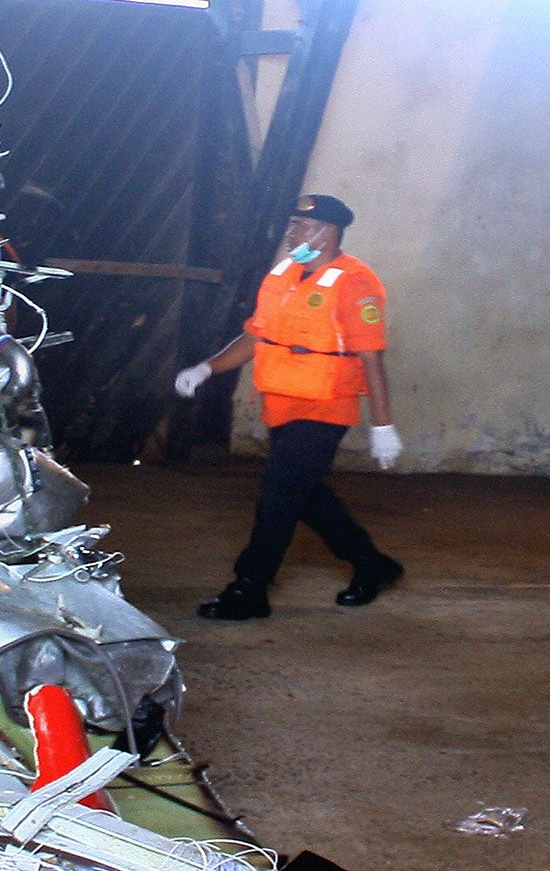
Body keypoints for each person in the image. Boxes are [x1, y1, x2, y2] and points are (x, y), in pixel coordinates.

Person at [173, 194, 404, 619]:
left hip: (325, 404)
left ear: (328, 231)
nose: (291, 232)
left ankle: (250, 588)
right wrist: (208, 368)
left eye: (301, 225)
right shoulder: (284, 274)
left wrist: (382, 425)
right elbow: (258, 336)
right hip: (282, 401)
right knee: (306, 495)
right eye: (292, 223)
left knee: (279, 496)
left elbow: (372, 358)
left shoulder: (355, 282)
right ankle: (372, 564)